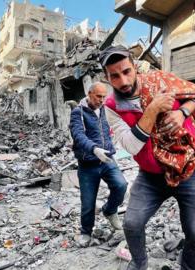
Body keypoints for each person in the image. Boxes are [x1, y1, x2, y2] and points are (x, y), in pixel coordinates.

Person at [99, 45, 195, 270]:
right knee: (132, 224)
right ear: (107, 78)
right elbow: (133, 146)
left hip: (191, 167)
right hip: (152, 176)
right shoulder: (112, 107)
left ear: (134, 68)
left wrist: (182, 112)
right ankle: (139, 263)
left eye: (126, 71)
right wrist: (153, 109)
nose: (123, 81)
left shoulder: (160, 80)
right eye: (114, 76)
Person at [69, 82, 128, 247]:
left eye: (104, 96)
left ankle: (109, 210)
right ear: (89, 94)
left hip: (107, 159)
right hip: (88, 164)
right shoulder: (78, 113)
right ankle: (86, 232)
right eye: (98, 96)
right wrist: (94, 149)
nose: (101, 100)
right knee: (88, 202)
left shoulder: (105, 110)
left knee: (121, 185)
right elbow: (78, 135)